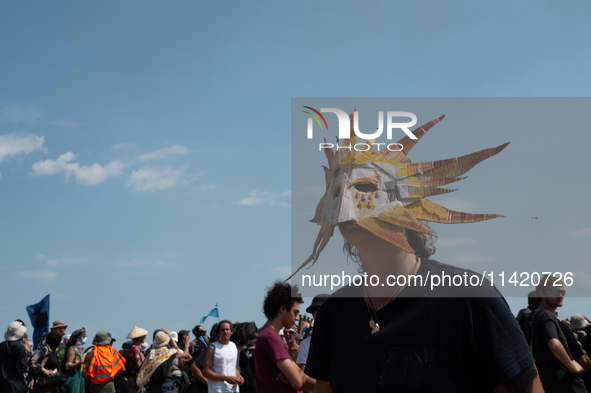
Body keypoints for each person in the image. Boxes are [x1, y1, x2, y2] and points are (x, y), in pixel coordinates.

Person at [294, 113, 543, 392]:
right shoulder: (334, 313)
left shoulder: (469, 298)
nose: (347, 204)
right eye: (338, 192)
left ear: (406, 200)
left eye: (365, 187)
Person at [255, 282, 314, 393]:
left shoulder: (267, 335)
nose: (297, 318)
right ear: (283, 309)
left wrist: (293, 373)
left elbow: (297, 377)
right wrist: (295, 374)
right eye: (295, 312)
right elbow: (297, 382)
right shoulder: (271, 337)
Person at [532, 275, 587, 392]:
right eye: (554, 291)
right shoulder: (547, 316)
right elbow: (554, 344)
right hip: (564, 383)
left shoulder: (534, 317)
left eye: (563, 292)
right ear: (542, 294)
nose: (560, 295)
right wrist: (572, 367)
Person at [203, 320, 243, 393]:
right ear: (218, 333)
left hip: (233, 389)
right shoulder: (213, 348)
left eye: (227, 329)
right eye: (222, 330)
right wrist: (225, 378)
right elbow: (205, 372)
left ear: (231, 332)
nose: (225, 332)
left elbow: (234, 368)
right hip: (218, 389)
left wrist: (239, 378)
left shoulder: (233, 346)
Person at [0, 321, 29, 393]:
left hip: (3, 386)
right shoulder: (20, 347)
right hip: (17, 386)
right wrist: (27, 354)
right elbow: (22, 368)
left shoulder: (1, 346)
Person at [62, 328, 86, 393]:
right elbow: (67, 366)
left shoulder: (79, 350)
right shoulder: (72, 349)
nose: (85, 338)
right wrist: (80, 363)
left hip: (79, 378)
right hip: (73, 378)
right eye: (83, 336)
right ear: (77, 339)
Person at [125, 326, 148, 393]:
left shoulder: (132, 347)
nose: (145, 337)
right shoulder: (136, 348)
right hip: (134, 378)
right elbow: (138, 365)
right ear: (140, 337)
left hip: (131, 378)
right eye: (144, 336)